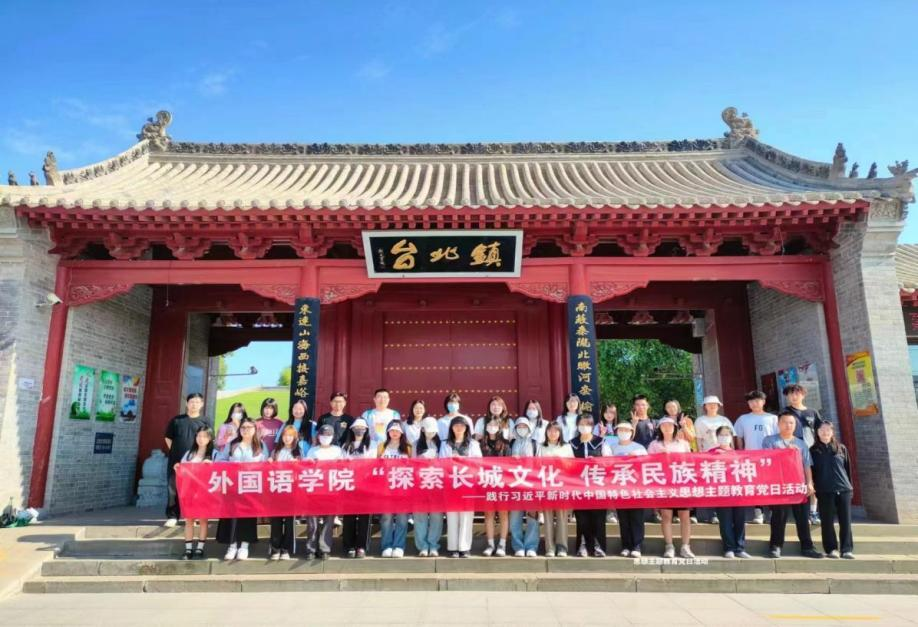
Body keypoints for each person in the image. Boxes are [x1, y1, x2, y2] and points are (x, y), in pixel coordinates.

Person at [762, 411, 822, 559]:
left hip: (798, 485)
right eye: (784, 422)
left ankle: (807, 547)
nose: (788, 425)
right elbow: (767, 460)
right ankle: (775, 546)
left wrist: (809, 483)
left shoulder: (801, 444)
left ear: (795, 425)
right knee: (778, 516)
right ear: (778, 424)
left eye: (791, 423)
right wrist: (785, 452)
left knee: (802, 517)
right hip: (780, 485)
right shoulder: (769, 441)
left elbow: (806, 465)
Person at [216, 417, 265, 560]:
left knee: (248, 516)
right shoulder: (232, 444)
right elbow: (220, 460)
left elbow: (266, 465)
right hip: (233, 484)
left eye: (249, 427)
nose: (246, 430)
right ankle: (232, 546)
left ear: (255, 429)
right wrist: (232, 465)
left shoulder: (260, 445)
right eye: (243, 427)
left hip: (251, 485)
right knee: (232, 516)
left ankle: (244, 546)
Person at [648, 417, 694, 559]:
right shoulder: (654, 444)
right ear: (659, 428)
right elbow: (647, 463)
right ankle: (669, 546)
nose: (667, 428)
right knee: (666, 515)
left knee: (684, 515)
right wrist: (659, 457)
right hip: (663, 483)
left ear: (675, 428)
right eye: (664, 425)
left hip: (681, 482)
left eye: (670, 425)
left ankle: (685, 546)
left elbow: (690, 461)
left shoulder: (683, 443)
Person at [810, 421, 855, 559]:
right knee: (827, 521)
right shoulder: (813, 451)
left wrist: (850, 487)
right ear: (817, 432)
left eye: (828, 430)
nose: (825, 432)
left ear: (832, 432)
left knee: (845, 521)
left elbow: (847, 469)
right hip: (824, 490)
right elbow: (811, 472)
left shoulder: (841, 448)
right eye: (822, 430)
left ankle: (846, 549)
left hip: (843, 489)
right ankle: (831, 549)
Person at [439, 415, 482, 558]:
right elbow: (441, 462)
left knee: (466, 516)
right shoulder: (445, 444)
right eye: (456, 425)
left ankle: (464, 547)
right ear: (451, 428)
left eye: (462, 426)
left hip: (467, 483)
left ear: (466, 428)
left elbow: (478, 462)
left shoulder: (473, 444)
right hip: (450, 483)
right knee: (452, 516)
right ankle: (453, 547)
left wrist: (462, 460)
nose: (459, 428)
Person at [734, 390, 779, 524]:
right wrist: (741, 453)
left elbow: (778, 437)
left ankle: (772, 512)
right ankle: (758, 512)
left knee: (770, 484)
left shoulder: (772, 418)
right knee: (755, 484)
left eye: (757, 400)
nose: (754, 403)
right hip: (751, 458)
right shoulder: (743, 419)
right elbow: (739, 437)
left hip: (769, 457)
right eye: (751, 401)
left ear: (763, 402)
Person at [163, 393, 207, 527]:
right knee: (173, 488)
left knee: (196, 489)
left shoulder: (205, 421)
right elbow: (168, 438)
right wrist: (177, 452)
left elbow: (209, 440)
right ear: (187, 404)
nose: (194, 404)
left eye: (197, 402)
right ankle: (173, 516)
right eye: (192, 402)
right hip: (177, 461)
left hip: (197, 462)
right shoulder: (177, 420)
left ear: (202, 404)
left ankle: (194, 515)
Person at [782, 383, 824, 525]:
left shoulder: (812, 412)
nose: (794, 396)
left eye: (797, 393)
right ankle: (801, 513)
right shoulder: (785, 412)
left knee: (813, 481)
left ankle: (813, 512)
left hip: (812, 450)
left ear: (803, 395)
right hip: (793, 452)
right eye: (790, 394)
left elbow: (820, 430)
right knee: (798, 481)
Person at [570, 413, 610, 557]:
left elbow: (610, 462)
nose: (584, 427)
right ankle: (583, 546)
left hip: (598, 486)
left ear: (593, 426)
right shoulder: (572, 443)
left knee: (598, 518)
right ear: (577, 425)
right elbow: (566, 464)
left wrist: (597, 461)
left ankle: (599, 546)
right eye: (581, 424)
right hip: (578, 486)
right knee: (582, 518)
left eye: (588, 424)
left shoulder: (601, 442)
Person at [711, 425, 751, 558]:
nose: (724, 437)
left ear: (731, 437)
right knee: (725, 521)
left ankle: (740, 548)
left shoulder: (738, 454)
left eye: (727, 435)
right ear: (717, 437)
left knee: (739, 520)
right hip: (721, 492)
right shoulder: (711, 453)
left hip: (737, 492)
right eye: (721, 435)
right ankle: (728, 548)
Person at [175, 426, 214, 560]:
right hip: (189, 490)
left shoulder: (214, 454)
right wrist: (177, 467)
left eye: (204, 436)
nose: (201, 439)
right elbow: (182, 470)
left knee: (203, 520)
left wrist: (211, 464)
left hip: (205, 491)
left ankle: (200, 548)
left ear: (210, 438)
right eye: (199, 436)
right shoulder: (189, 453)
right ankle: (188, 549)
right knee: (189, 520)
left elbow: (221, 470)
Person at [304, 424, 343, 559]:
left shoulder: (337, 450)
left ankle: (325, 548)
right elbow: (305, 467)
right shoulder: (312, 450)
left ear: (332, 437)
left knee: (329, 520)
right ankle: (311, 549)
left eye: (328, 435)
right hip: (314, 489)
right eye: (323, 435)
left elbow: (343, 467)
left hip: (331, 489)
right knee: (312, 521)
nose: (325, 437)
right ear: (318, 436)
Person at [610, 420, 647, 557]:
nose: (623, 433)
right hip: (619, 487)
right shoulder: (612, 447)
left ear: (632, 432)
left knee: (637, 517)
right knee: (623, 518)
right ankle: (626, 545)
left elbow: (647, 465)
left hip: (636, 488)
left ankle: (637, 545)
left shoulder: (639, 448)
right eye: (620, 430)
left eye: (626, 430)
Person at [693, 395, 732, 524]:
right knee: (710, 485)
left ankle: (725, 511)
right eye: (709, 404)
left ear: (719, 406)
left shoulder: (724, 420)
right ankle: (713, 514)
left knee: (724, 484)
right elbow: (698, 439)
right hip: (708, 457)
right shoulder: (700, 421)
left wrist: (733, 454)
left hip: (725, 457)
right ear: (705, 406)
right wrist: (700, 455)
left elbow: (732, 437)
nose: (712, 406)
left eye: (715, 404)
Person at [340, 418, 375, 558]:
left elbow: (372, 464)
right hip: (349, 485)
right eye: (356, 428)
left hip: (366, 486)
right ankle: (349, 546)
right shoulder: (345, 446)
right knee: (349, 517)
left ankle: (361, 546)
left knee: (364, 517)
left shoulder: (372, 445)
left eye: (362, 428)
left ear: (366, 430)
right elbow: (341, 464)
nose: (359, 431)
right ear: (352, 430)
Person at [378, 420, 412, 558]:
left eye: (397, 430)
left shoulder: (408, 447)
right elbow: (375, 465)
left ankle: (399, 546)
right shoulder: (381, 446)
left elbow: (413, 466)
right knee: (386, 518)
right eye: (392, 430)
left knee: (402, 518)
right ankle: (386, 545)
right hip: (385, 488)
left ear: (402, 432)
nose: (395, 433)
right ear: (388, 432)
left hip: (403, 487)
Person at [539, 421, 572, 557]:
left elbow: (573, 465)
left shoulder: (566, 447)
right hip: (546, 486)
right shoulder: (541, 447)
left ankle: (562, 547)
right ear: (546, 432)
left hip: (562, 486)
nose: (552, 433)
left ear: (560, 433)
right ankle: (550, 548)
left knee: (562, 517)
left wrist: (562, 462)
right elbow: (536, 465)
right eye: (550, 431)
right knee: (547, 518)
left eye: (555, 431)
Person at [268, 425, 302, 560]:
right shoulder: (276, 451)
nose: (287, 438)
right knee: (276, 520)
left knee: (289, 521)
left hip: (291, 490)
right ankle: (275, 548)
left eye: (290, 436)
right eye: (285, 435)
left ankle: (286, 549)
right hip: (276, 489)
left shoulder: (298, 452)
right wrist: (270, 462)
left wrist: (297, 464)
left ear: (294, 438)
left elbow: (303, 470)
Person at [508, 417, 540, 557]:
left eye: (524, 426)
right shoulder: (511, 443)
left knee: (532, 516)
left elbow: (540, 464)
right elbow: (504, 464)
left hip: (531, 484)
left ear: (529, 428)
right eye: (519, 427)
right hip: (515, 484)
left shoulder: (535, 443)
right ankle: (518, 546)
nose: (522, 429)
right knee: (515, 517)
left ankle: (531, 546)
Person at [479, 413, 510, 557]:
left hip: (502, 484)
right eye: (489, 425)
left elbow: (509, 465)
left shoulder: (505, 444)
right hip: (486, 483)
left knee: (503, 514)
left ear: (499, 428)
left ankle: (502, 544)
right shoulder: (480, 444)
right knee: (489, 515)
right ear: (485, 427)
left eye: (495, 425)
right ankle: (490, 544)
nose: (492, 427)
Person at [413, 417, 444, 557]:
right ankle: (422, 545)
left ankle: (433, 544)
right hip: (420, 484)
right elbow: (411, 464)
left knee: (436, 516)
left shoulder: (441, 444)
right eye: (428, 431)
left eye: (433, 432)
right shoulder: (416, 444)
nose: (431, 434)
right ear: (423, 430)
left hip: (437, 483)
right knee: (420, 516)